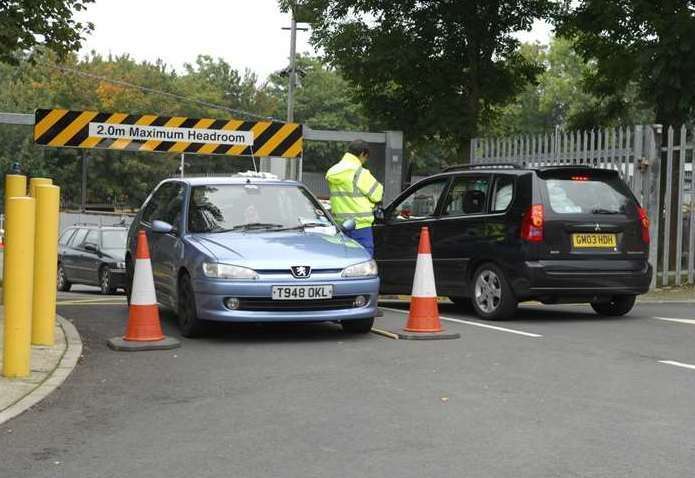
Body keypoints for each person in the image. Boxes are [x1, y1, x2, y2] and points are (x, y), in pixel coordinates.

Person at [326, 139, 383, 256]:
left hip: (341, 226)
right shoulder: (360, 173)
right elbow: (378, 195)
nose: (364, 161)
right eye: (365, 158)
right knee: (363, 262)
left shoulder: (332, 171)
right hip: (361, 227)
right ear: (362, 154)